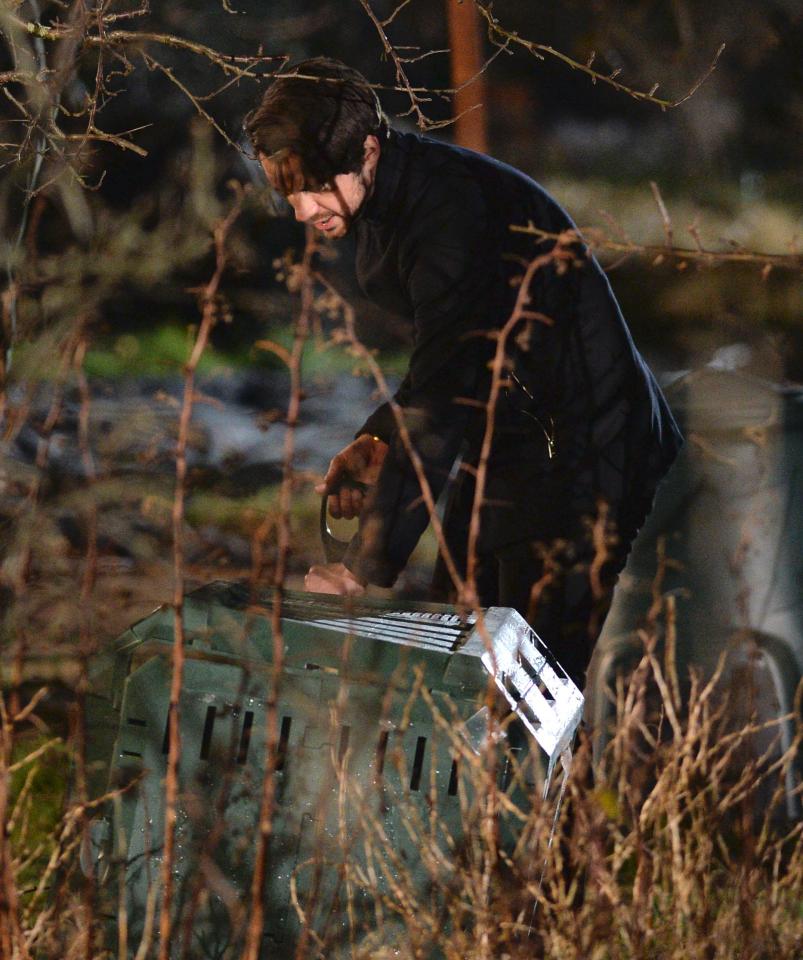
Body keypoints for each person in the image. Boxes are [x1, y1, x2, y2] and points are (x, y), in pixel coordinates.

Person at [245, 58, 682, 690]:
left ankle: (564, 788)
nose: (301, 210)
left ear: (367, 151)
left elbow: (449, 389)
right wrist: (379, 440)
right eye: (288, 192)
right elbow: (444, 363)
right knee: (461, 639)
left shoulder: (451, 213)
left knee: (535, 681)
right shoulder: (397, 199)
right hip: (512, 445)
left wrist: (363, 564)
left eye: (313, 187)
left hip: (585, 457)